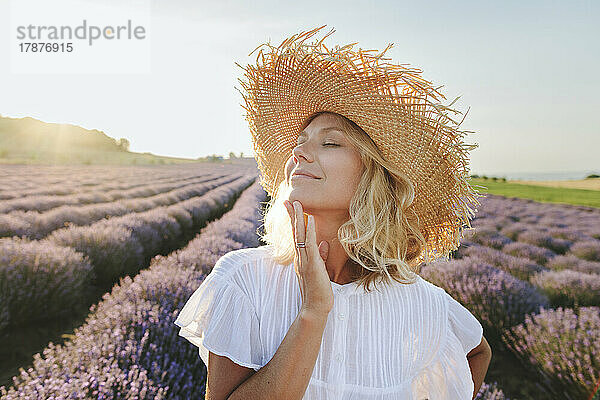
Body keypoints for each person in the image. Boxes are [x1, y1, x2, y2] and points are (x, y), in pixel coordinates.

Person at [174, 25, 492, 400]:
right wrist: (314, 310)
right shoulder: (244, 280)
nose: (299, 154)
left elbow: (477, 352)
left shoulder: (421, 302)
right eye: (299, 143)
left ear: (372, 175)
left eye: (329, 142)